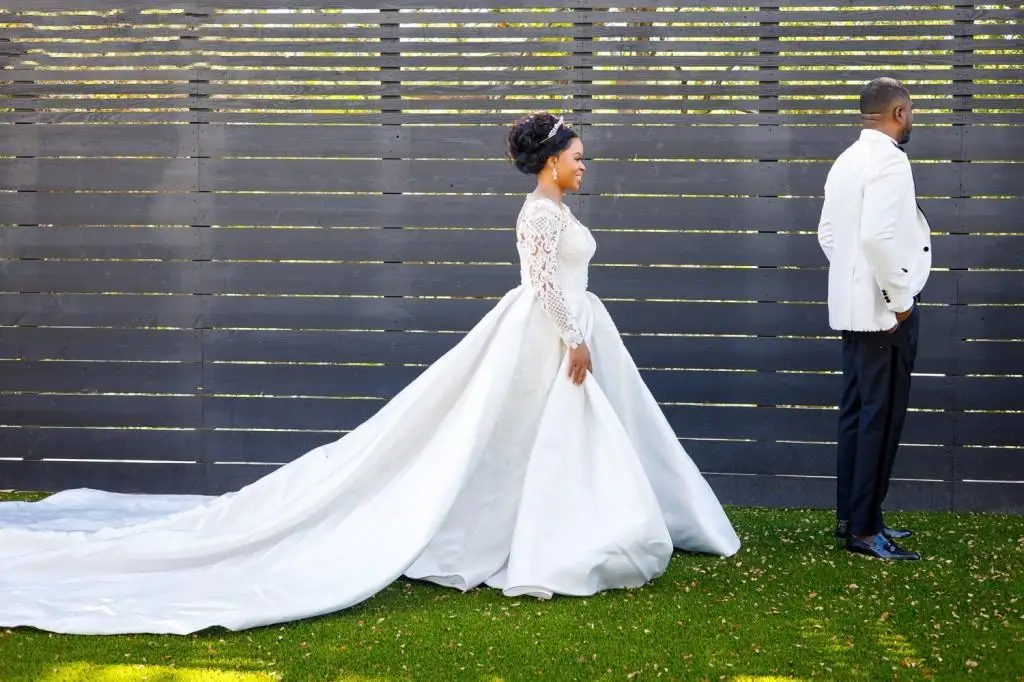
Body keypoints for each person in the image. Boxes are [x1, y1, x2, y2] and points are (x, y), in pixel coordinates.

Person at [0, 112, 740, 635]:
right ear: (552, 162)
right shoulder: (540, 213)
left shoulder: (552, 205)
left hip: (571, 329)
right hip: (553, 334)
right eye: (579, 156)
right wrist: (572, 339)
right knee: (549, 431)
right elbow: (544, 283)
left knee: (559, 434)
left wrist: (580, 330)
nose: (585, 165)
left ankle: (580, 525)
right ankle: (572, 538)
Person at [817, 78, 932, 561]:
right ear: (900, 112)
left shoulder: (847, 160)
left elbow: (828, 234)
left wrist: (854, 285)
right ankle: (865, 530)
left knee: (857, 415)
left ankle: (854, 517)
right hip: (886, 316)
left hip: (853, 312)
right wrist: (898, 301)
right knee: (879, 420)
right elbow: (878, 238)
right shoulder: (889, 160)